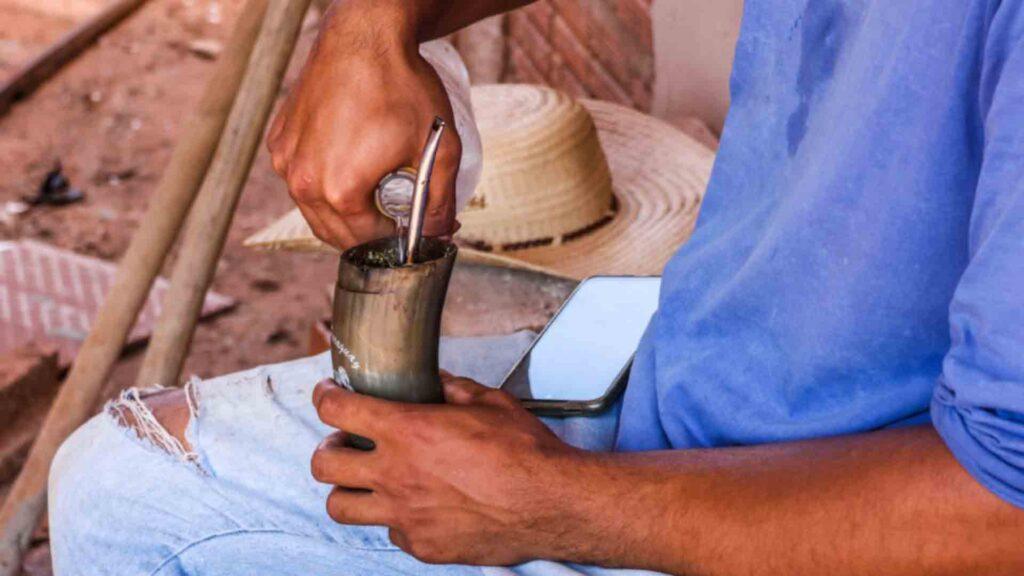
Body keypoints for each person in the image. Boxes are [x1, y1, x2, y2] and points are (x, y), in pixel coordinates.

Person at [47, 0, 1024, 574]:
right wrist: (374, 29)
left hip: (805, 524)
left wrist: (560, 502)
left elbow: (1001, 509)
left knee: (131, 506)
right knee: (124, 469)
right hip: (691, 384)